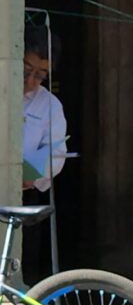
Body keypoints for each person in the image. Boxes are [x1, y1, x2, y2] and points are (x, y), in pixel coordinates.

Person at [21, 26, 67, 286]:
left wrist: (33, 177)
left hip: (25, 194)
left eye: (40, 75)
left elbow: (57, 152)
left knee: (21, 267)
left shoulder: (49, 105)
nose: (30, 81)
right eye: (27, 71)